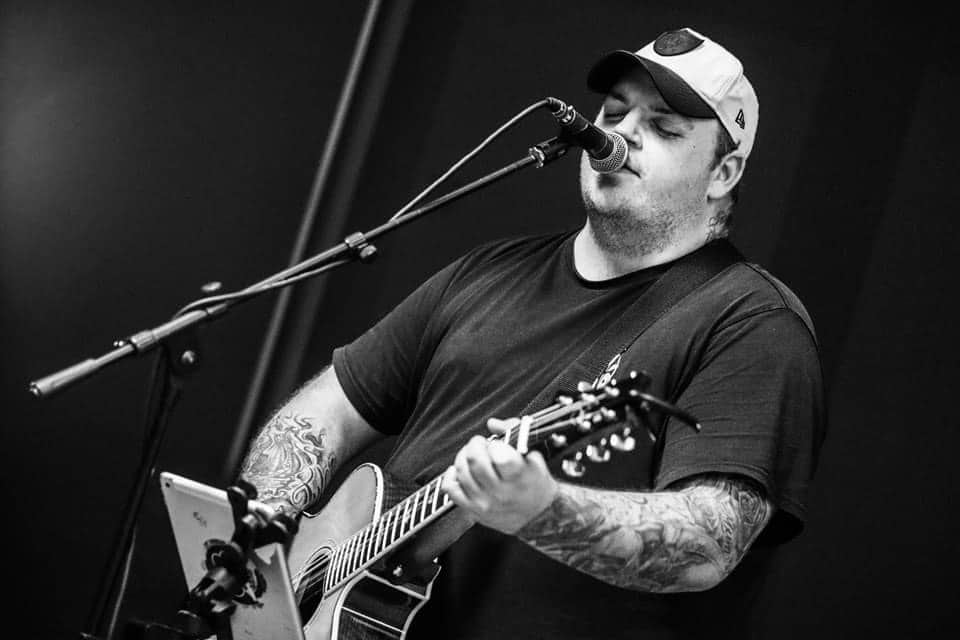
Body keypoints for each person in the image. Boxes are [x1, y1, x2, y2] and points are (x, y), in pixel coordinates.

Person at [240, 27, 826, 639]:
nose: (623, 133)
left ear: (723, 172)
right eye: (615, 112)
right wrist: (260, 544)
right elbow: (328, 411)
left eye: (664, 127)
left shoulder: (751, 322)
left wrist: (543, 510)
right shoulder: (487, 272)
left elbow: (708, 542)